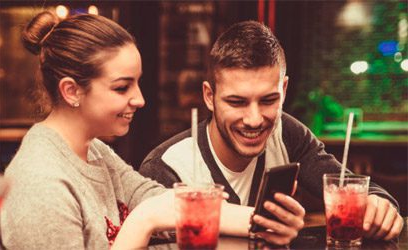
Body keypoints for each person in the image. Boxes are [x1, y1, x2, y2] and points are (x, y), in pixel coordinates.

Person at [0, 12, 305, 250]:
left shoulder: (94, 151)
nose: (140, 99)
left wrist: (265, 223)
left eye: (137, 82)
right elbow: (153, 211)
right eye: (122, 87)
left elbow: (161, 201)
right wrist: (143, 222)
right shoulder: (40, 184)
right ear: (71, 91)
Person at [139, 20, 404, 241]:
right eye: (237, 102)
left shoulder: (287, 132)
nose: (254, 120)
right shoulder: (165, 168)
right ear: (209, 96)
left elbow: (345, 184)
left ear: (284, 90)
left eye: (268, 100)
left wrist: (379, 203)